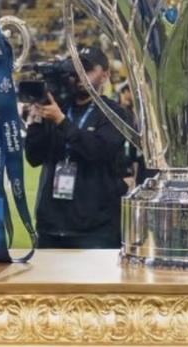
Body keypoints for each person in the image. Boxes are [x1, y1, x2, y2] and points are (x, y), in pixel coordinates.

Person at [24, 46, 129, 248]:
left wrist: (62, 122)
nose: (79, 75)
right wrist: (36, 120)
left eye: (87, 69)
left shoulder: (114, 113)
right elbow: (33, 157)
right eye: (75, 69)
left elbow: (97, 151)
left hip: (96, 229)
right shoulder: (58, 108)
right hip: (51, 225)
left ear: (105, 75)